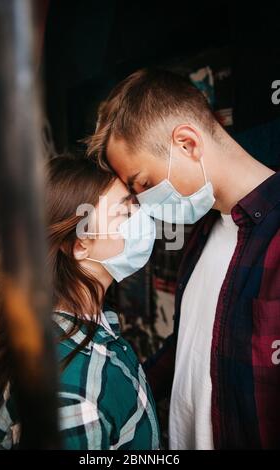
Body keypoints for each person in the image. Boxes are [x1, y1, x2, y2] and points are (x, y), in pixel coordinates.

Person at [85, 68, 280, 449]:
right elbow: (193, 344)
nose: (142, 201)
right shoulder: (202, 230)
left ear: (188, 144)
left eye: (142, 183)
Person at [0, 154, 160, 450]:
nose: (141, 219)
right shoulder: (74, 398)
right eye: (125, 212)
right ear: (79, 246)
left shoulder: (87, 328)